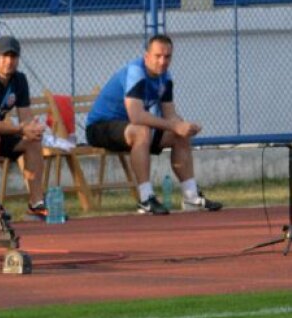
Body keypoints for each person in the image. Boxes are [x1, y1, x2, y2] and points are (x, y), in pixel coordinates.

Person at [85, 34, 221, 217]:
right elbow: (136, 115)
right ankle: (145, 198)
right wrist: (173, 125)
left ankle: (191, 197)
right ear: (146, 56)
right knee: (142, 131)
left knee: (179, 135)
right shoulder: (136, 72)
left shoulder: (165, 77)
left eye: (167, 57)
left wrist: (183, 126)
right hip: (100, 127)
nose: (163, 61)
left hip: (131, 128)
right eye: (158, 56)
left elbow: (170, 114)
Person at [0, 36, 48, 222]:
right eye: (4, 56)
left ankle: (36, 204)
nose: (9, 61)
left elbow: (25, 118)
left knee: (32, 141)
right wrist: (20, 129)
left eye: (13, 56)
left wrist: (33, 128)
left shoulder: (19, 80)